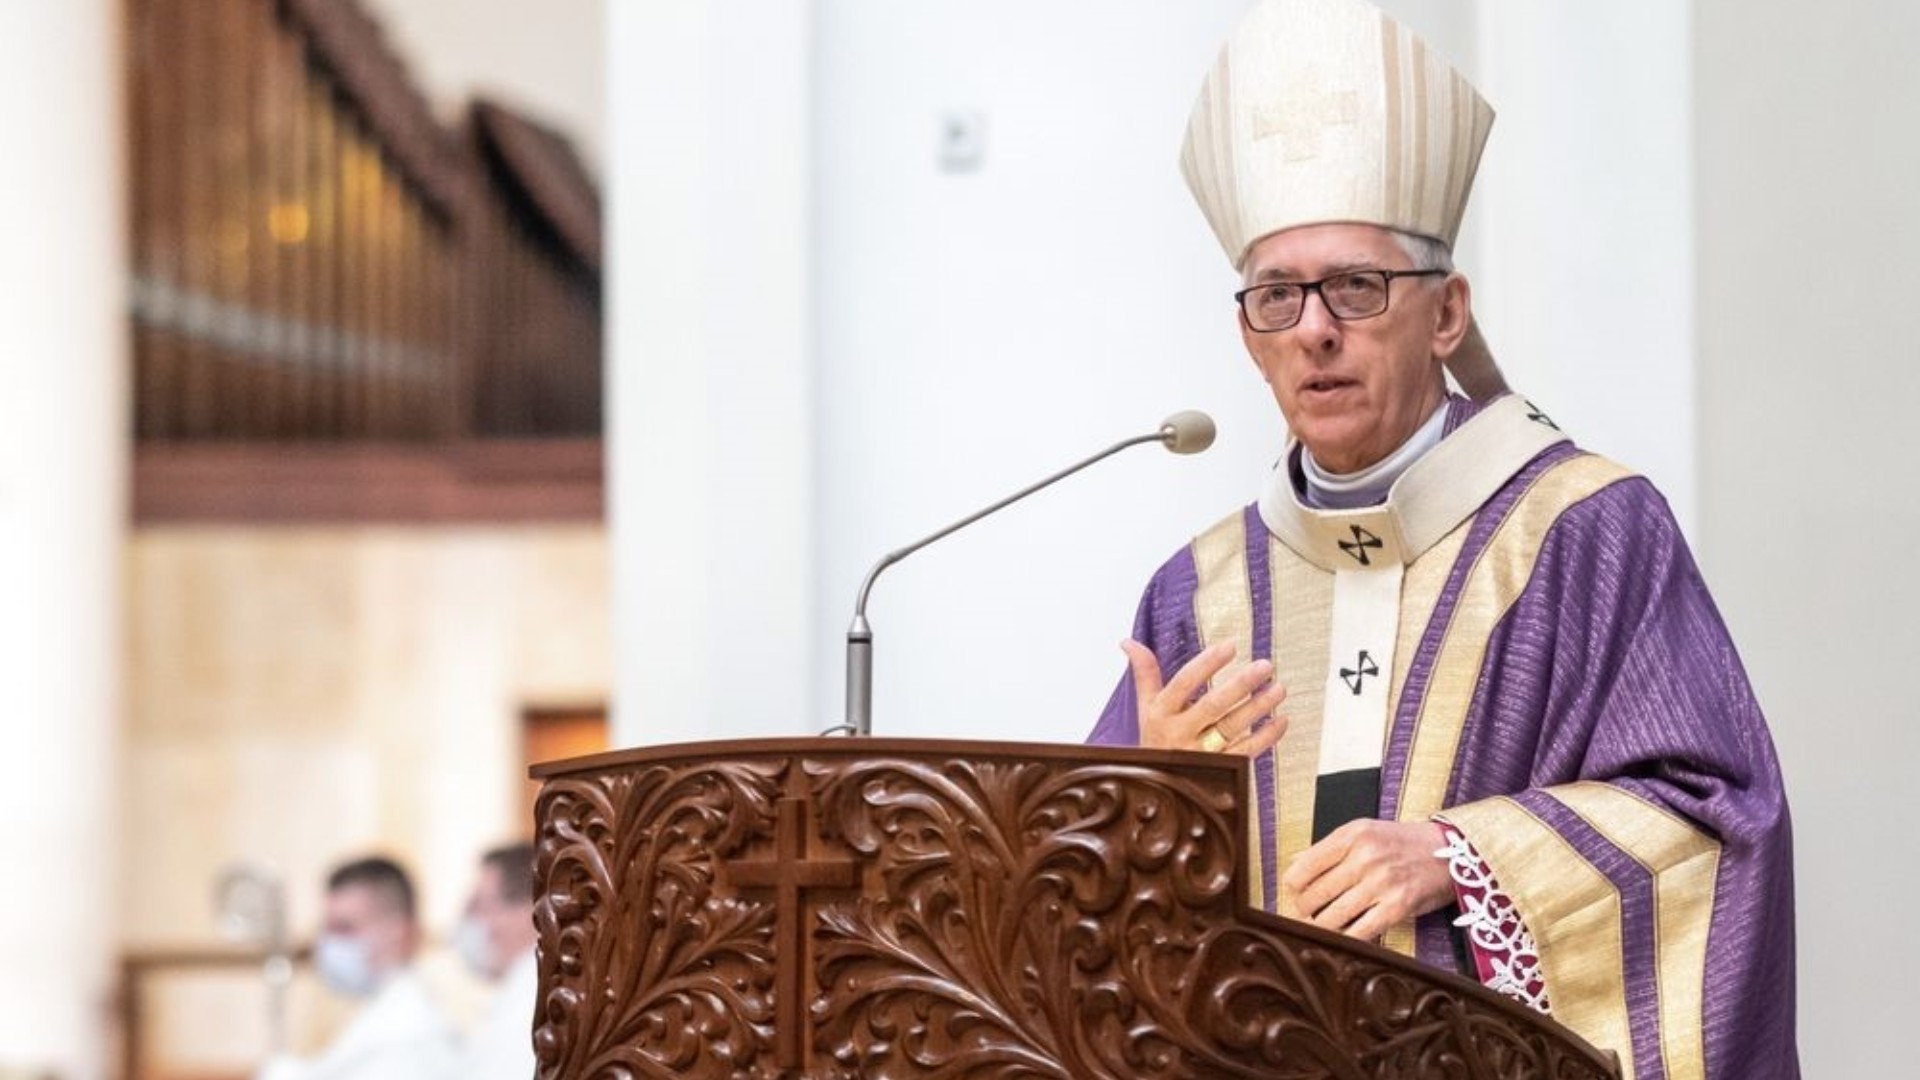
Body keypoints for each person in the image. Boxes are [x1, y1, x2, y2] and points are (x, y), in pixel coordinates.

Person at [1086, 1, 1797, 1077]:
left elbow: (1718, 822)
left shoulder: (1582, 532)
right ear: (1248, 334)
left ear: (1449, 313)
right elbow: (1070, 891)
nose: (1315, 328)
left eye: (1357, 287)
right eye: (1278, 295)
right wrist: (1149, 800)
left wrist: (1462, 858)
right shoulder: (1198, 593)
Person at [257, 856, 458, 1080]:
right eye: (326, 929)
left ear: (397, 931)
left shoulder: (407, 1035)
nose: (326, 944)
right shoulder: (380, 1016)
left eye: (344, 928)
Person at [452, 841, 540, 1080]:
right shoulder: (518, 992)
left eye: (481, 905)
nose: (472, 922)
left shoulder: (531, 1003)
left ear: (528, 909)